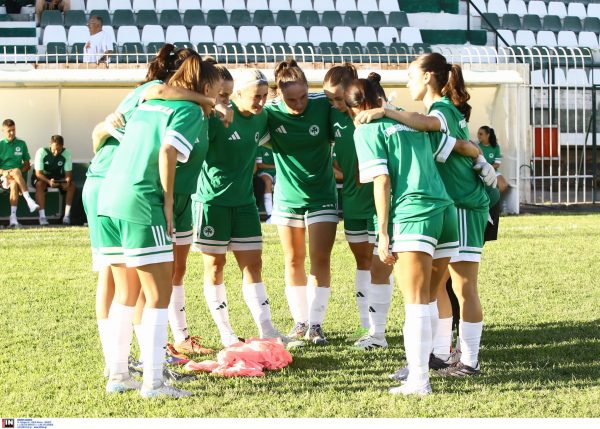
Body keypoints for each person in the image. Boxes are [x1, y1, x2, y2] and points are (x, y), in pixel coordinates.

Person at [87, 45, 220, 376]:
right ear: (203, 87)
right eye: (219, 94)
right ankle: (154, 377)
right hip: (139, 197)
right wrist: (169, 200)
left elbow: (99, 135)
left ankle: (118, 373)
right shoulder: (175, 103)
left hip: (109, 192)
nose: (219, 101)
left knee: (125, 290)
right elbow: (167, 151)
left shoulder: (147, 105)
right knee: (157, 294)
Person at [348, 77, 458, 396]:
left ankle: (419, 381)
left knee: (415, 303)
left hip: (413, 214)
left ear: (359, 107)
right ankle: (429, 363)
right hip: (445, 212)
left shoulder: (367, 129)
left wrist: (382, 232)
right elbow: (450, 144)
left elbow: (381, 180)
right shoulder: (412, 121)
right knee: (431, 297)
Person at [193, 68, 287, 347]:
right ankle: (226, 333)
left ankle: (267, 328)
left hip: (245, 203)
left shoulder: (263, 118)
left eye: (264, 96)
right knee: (215, 267)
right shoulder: (215, 117)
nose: (261, 102)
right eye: (256, 96)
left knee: (253, 265)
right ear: (237, 95)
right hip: (212, 203)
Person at [264, 59, 337, 345]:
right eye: (291, 99)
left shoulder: (322, 105)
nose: (299, 104)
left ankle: (316, 325)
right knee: (293, 259)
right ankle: (300, 321)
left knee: (320, 258)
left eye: (303, 96)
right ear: (279, 94)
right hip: (287, 196)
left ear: (309, 89)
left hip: (322, 194)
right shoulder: (269, 112)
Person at [322, 64, 379, 346]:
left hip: (380, 202)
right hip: (353, 201)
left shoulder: (375, 114)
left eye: (338, 98)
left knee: (383, 265)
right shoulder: (332, 116)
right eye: (329, 99)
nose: (334, 104)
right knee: (363, 263)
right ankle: (365, 325)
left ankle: (380, 327)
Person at [0, 119, 39, 228]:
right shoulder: (0, 144)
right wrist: (5, 172)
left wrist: (17, 173)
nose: (12, 133)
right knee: (16, 171)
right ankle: (29, 200)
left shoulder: (21, 143)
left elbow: (27, 164)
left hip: (17, 178)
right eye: (9, 131)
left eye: (14, 130)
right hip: (4, 177)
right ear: (3, 131)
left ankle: (13, 219)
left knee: (14, 183)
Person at [33, 135, 76, 226]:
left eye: (59, 150)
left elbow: (68, 174)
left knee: (71, 186)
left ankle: (66, 216)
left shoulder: (67, 153)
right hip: (42, 177)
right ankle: (42, 217)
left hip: (57, 178)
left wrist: (67, 181)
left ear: (62, 146)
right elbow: (38, 174)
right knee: (40, 185)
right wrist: (49, 181)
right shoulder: (41, 152)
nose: (56, 153)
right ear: (50, 145)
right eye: (54, 149)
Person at [478, 125, 508, 194]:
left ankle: (491, 198)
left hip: (493, 171)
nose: (478, 136)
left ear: (487, 135)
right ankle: (484, 198)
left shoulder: (496, 147)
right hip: (480, 172)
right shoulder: (477, 146)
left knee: (503, 185)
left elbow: (497, 164)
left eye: (481, 134)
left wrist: (489, 168)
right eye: (478, 134)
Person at [255, 145, 276, 222]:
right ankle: (269, 214)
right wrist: (274, 166)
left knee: (281, 183)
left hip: (278, 172)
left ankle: (280, 213)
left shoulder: (276, 145)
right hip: (264, 172)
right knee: (267, 182)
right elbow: (259, 165)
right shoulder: (260, 147)